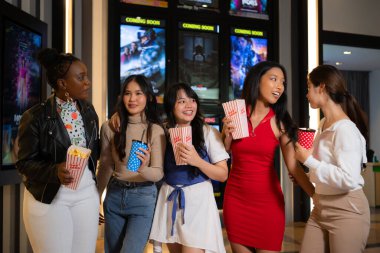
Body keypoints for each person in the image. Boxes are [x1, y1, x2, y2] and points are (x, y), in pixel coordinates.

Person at [222, 61, 315, 253]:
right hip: (236, 201)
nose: (279, 86)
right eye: (273, 79)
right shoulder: (236, 114)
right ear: (257, 81)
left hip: (268, 204)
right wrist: (226, 136)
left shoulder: (281, 122)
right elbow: (223, 156)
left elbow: (293, 167)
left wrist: (317, 197)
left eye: (282, 82)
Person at [16, 48, 100, 253]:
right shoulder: (35, 117)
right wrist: (54, 171)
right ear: (63, 84)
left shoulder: (89, 111)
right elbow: (24, 163)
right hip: (50, 197)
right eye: (81, 77)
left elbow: (94, 153)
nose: (87, 81)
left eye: (86, 76)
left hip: (86, 195)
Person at [294, 65, 370, 253]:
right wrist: (309, 172)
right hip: (321, 206)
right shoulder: (323, 124)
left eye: (308, 87)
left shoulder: (345, 130)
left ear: (321, 87)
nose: (306, 94)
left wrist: (309, 161)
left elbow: (348, 178)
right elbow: (327, 167)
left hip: (347, 209)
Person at [149, 83, 229, 253]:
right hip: (170, 199)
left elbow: (223, 174)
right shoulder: (163, 131)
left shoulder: (208, 132)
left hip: (199, 203)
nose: (189, 105)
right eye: (182, 101)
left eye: (192, 100)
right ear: (171, 106)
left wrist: (197, 161)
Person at [96, 74, 166, 253]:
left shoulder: (155, 130)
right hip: (114, 196)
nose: (132, 99)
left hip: (143, 197)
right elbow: (106, 165)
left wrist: (142, 169)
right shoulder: (110, 127)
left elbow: (158, 173)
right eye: (127, 93)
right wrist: (95, 197)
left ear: (148, 97)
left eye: (138, 93)